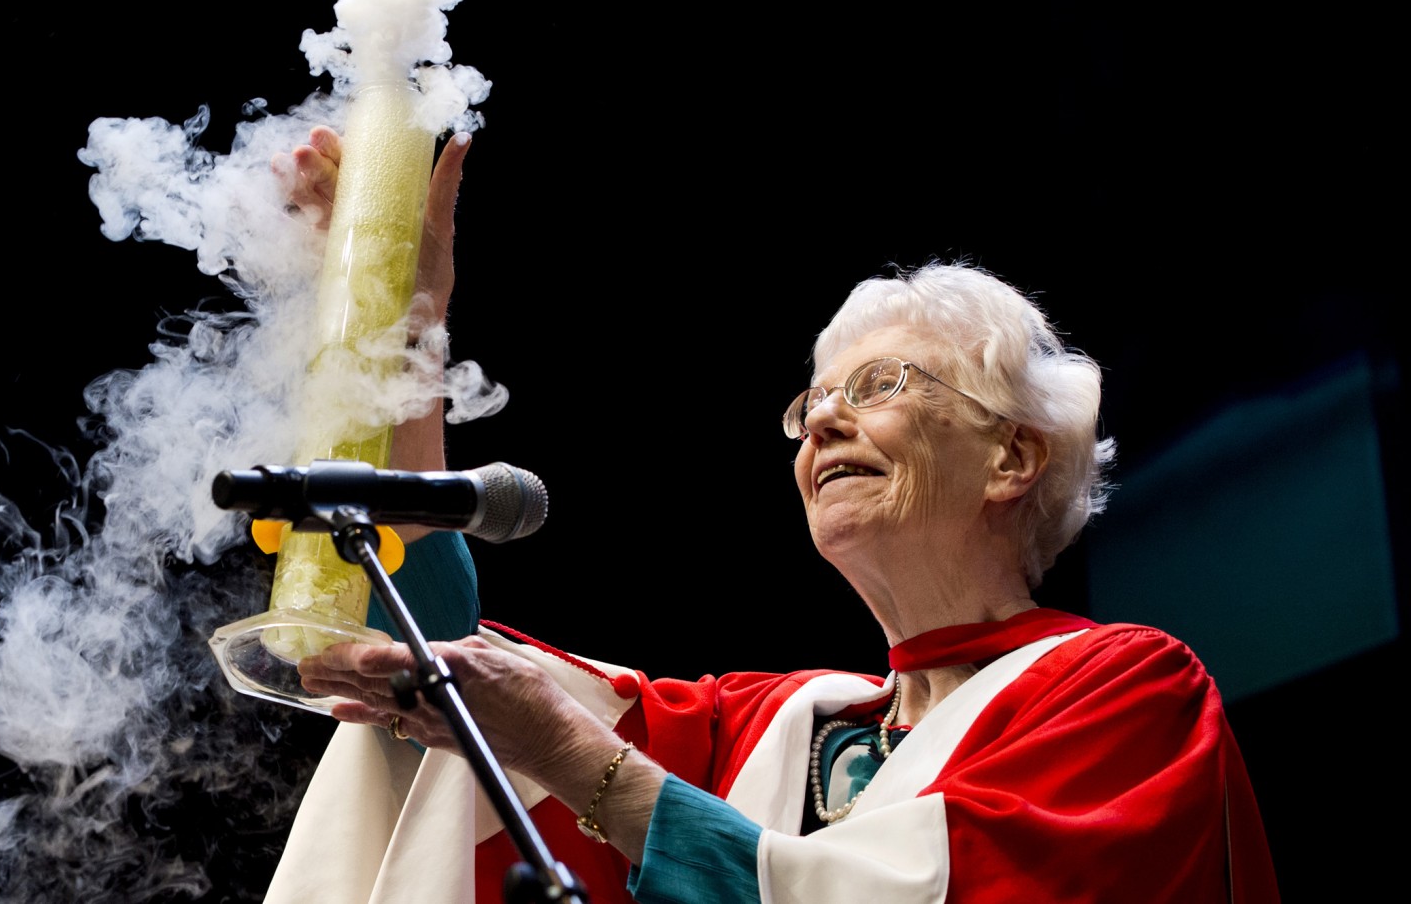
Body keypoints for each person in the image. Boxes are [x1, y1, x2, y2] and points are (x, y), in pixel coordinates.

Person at [261, 126, 1279, 903]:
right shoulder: (772, 723)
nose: (825, 417)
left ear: (1012, 454)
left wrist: (577, 759)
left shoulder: (1127, 688)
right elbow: (440, 670)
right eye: (811, 402)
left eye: (880, 383)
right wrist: (401, 333)